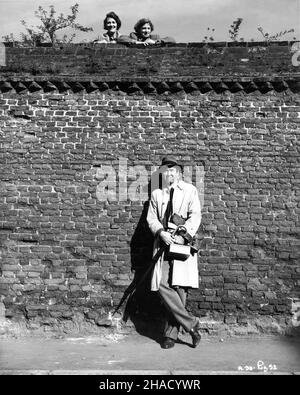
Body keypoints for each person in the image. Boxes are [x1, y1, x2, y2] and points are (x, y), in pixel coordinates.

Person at [146, 156, 202, 349]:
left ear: (178, 172)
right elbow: (151, 218)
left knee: (179, 288)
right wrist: (160, 233)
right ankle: (191, 324)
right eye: (165, 171)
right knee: (161, 284)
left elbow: (195, 215)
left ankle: (170, 335)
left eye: (172, 170)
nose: (168, 174)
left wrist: (182, 234)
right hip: (163, 245)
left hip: (182, 244)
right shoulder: (157, 194)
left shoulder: (190, 191)